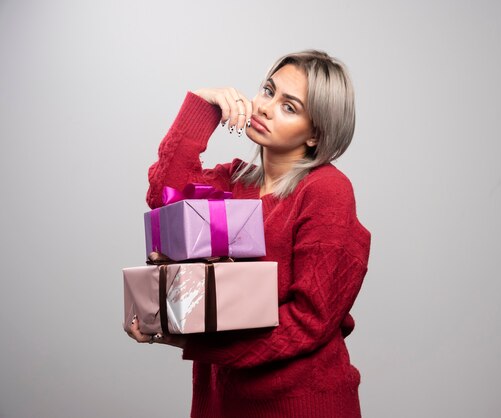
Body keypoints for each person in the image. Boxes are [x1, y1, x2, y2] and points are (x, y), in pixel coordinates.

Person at [127, 50, 371, 418]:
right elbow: (162, 197)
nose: (266, 107)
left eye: (289, 107)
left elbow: (310, 321)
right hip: (223, 401)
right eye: (268, 90)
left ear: (315, 134)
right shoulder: (233, 181)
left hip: (299, 404)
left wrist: (183, 338)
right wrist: (203, 107)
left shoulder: (325, 190)